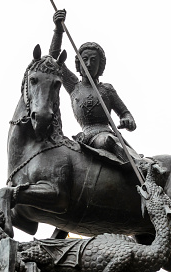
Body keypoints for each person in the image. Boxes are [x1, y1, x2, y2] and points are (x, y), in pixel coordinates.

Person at [49, 9, 139, 162]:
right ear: (79, 63)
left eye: (93, 60)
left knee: (107, 141)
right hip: (83, 138)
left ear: (100, 65)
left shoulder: (107, 90)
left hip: (106, 135)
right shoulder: (73, 86)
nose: (89, 64)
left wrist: (128, 121)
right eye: (85, 60)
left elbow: (126, 114)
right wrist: (58, 31)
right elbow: (54, 58)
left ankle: (141, 166)